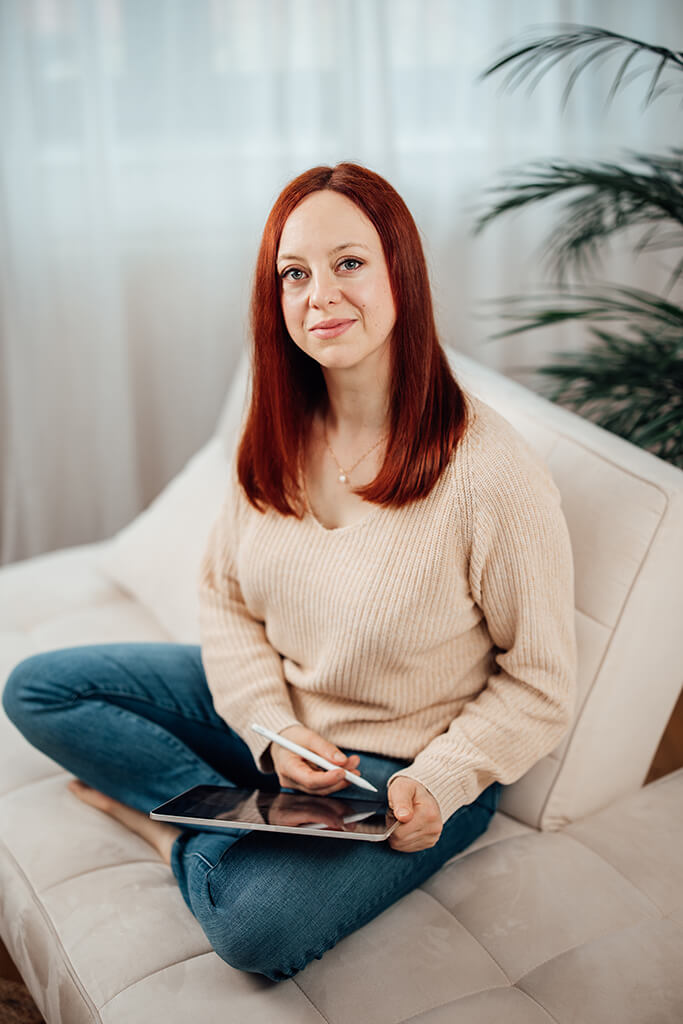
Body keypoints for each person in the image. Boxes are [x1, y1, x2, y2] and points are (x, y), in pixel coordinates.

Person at [2, 162, 577, 982]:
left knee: (253, 930)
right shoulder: (278, 427)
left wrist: (443, 781)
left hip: (406, 766)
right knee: (38, 689)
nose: (320, 296)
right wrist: (270, 731)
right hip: (286, 721)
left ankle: (170, 828)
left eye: (349, 263)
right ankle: (234, 814)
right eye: (294, 274)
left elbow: (541, 681)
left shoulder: (491, 474)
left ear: (401, 272)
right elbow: (224, 597)